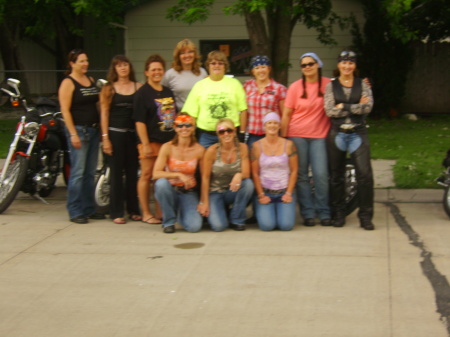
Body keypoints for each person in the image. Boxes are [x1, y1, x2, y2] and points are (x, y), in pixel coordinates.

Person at [324, 50, 375, 230]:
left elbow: (368, 107)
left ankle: (365, 215)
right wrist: (356, 106)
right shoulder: (331, 86)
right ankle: (339, 213)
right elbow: (330, 110)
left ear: (355, 66)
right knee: (336, 176)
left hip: (357, 133)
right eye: (344, 62)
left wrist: (344, 106)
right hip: (338, 133)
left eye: (351, 63)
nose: (347, 66)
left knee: (365, 175)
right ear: (338, 65)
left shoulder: (363, 84)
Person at [281, 52, 331, 227]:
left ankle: (324, 211)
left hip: (320, 136)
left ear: (318, 64)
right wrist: (284, 138)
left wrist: (363, 85)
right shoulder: (295, 87)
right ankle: (308, 213)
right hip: (297, 135)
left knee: (321, 175)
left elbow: (347, 86)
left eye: (311, 64)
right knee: (301, 176)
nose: (307, 67)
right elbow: (286, 114)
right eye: (304, 65)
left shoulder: (328, 85)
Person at [59, 49, 105, 224]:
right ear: (72, 63)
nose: (85, 64)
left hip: (93, 131)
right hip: (79, 131)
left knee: (89, 172)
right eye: (81, 61)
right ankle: (75, 210)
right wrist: (72, 134)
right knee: (78, 173)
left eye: (86, 60)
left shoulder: (91, 80)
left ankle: (89, 208)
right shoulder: (68, 83)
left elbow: (98, 104)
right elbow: (65, 110)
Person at [133, 54, 176, 225]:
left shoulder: (167, 91)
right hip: (150, 141)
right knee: (146, 175)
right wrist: (145, 144)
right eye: (153, 70)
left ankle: (160, 212)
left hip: (167, 142)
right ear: (147, 72)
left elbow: (173, 115)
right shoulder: (142, 93)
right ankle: (145, 212)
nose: (157, 72)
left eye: (159, 69)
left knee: (161, 178)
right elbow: (139, 121)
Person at [100, 55, 143, 224]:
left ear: (130, 67)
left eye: (126, 65)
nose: (123, 68)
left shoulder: (138, 87)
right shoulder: (109, 89)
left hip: (132, 135)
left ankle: (133, 210)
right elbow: (104, 113)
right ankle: (116, 211)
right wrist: (105, 138)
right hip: (114, 134)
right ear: (114, 69)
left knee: (133, 174)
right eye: (119, 66)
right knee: (116, 174)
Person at [182, 50, 248, 148]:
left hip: (230, 134)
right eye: (213, 63)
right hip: (206, 136)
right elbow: (191, 114)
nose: (216, 66)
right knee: (206, 163)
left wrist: (242, 133)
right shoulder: (199, 85)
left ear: (225, 66)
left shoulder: (235, 84)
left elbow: (243, 110)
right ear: (208, 66)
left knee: (231, 162)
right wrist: (191, 135)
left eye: (220, 63)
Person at [198, 118, 254, 231]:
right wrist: (204, 202)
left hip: (232, 190)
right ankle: (223, 211)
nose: (226, 134)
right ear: (218, 134)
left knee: (248, 184)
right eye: (222, 131)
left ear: (234, 131)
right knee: (219, 226)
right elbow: (205, 177)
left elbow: (246, 173)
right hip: (215, 192)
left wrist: (239, 175)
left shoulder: (242, 148)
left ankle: (236, 219)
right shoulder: (212, 151)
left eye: (229, 130)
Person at [153, 114, 205, 233]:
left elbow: (204, 177)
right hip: (169, 190)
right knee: (161, 184)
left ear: (193, 127)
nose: (184, 128)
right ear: (175, 128)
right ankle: (169, 222)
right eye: (180, 125)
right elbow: (156, 173)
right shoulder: (167, 147)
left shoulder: (199, 150)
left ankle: (180, 212)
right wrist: (178, 175)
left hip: (188, 192)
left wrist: (202, 201)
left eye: (188, 125)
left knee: (194, 227)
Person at [251, 112, 298, 231]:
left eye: (275, 123)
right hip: (266, 192)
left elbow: (294, 170)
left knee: (286, 226)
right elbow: (255, 173)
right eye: (269, 123)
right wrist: (261, 195)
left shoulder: (289, 145)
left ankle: (280, 209)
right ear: (264, 126)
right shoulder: (256, 146)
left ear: (279, 126)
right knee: (267, 226)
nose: (272, 126)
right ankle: (261, 208)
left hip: (284, 191)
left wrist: (288, 193)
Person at [244, 55, 287, 150]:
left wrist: (284, 135)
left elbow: (285, 114)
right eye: (257, 68)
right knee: (253, 163)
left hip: (272, 134)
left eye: (263, 67)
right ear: (253, 71)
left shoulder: (279, 89)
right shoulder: (246, 87)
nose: (260, 70)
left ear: (269, 69)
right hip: (252, 135)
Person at [162, 38, 208, 112]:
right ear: (178, 56)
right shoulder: (170, 74)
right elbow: (163, 96)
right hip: (178, 117)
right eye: (183, 53)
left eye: (190, 52)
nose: (187, 55)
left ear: (195, 54)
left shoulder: (202, 72)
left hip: (199, 117)